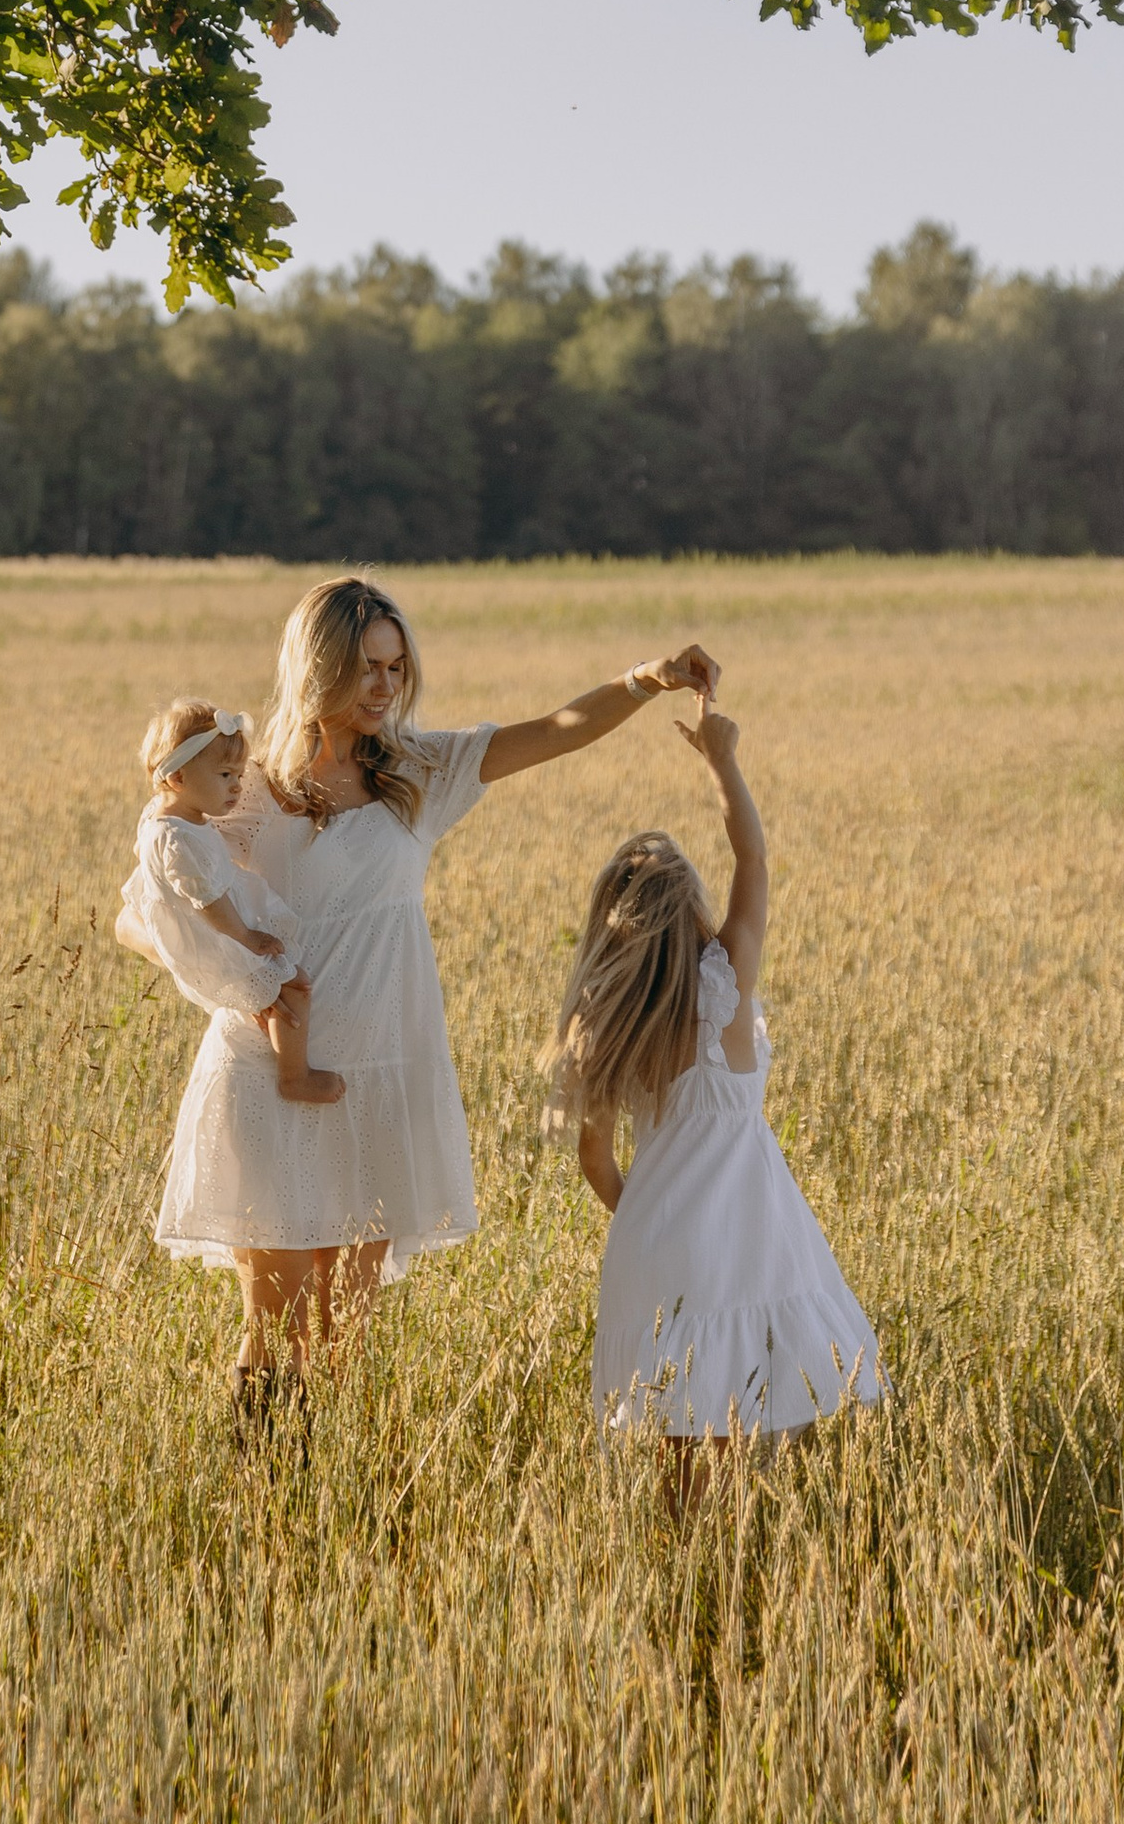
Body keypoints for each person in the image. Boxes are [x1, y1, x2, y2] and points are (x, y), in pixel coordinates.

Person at [149, 572, 716, 1411]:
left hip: (381, 1078)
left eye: (396, 668)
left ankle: (325, 1513)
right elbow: (148, 904)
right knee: (275, 1325)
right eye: (368, 667)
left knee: (345, 1336)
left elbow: (557, 730)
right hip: (269, 1078)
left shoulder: (423, 773)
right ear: (319, 665)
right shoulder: (244, 790)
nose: (386, 687)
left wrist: (647, 678)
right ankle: (253, 1509)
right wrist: (225, 969)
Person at [553, 679, 881, 1477]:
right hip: (750, 1247)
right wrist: (722, 759)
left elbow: (595, 1159)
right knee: (747, 1433)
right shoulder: (726, 991)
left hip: (657, 1248)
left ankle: (680, 1575)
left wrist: (650, 1213)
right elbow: (754, 858)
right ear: (693, 909)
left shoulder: (607, 1025)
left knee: (677, 1448)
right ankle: (729, 1586)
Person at [119, 698, 344, 1105]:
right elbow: (208, 902)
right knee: (293, 985)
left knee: (282, 983)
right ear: (178, 777)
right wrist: (247, 937)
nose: (238, 787)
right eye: (225, 775)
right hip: (217, 933)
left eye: (238, 775)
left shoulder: (169, 816)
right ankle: (295, 1075)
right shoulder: (176, 839)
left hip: (217, 921)